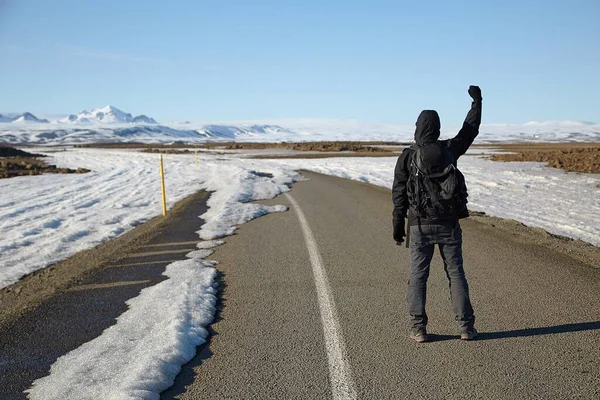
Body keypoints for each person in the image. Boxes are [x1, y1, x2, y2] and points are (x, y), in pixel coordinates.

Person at [392, 86, 482, 343]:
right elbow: (470, 130)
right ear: (438, 128)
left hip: (419, 226)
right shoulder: (449, 149)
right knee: (456, 273)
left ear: (418, 127)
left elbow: (399, 195)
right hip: (449, 224)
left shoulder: (407, 157)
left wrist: (398, 228)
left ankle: (418, 329)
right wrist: (477, 102)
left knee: (418, 276)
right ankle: (466, 328)